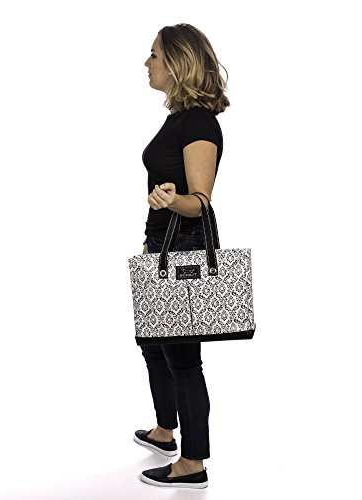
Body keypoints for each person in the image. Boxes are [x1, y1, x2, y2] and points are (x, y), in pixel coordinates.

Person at [133, 24, 230, 489]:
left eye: (153, 55)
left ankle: (192, 464)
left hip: (185, 252)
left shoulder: (199, 124)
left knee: (184, 360)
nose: (146, 63)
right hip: (161, 247)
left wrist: (173, 202)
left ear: (177, 62)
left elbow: (200, 202)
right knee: (153, 344)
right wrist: (150, 237)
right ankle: (164, 430)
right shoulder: (178, 119)